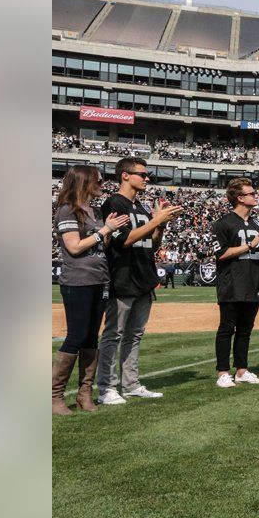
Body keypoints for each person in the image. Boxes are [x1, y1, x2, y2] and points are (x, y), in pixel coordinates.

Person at [96, 157, 182, 406]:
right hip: (122, 277)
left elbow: (151, 246)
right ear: (125, 175)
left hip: (144, 276)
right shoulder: (114, 202)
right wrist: (155, 220)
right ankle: (107, 387)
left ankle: (131, 384)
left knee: (134, 335)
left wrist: (160, 226)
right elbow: (122, 241)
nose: (147, 178)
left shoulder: (142, 208)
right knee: (114, 334)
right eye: (142, 174)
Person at [52, 166, 130, 415]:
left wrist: (106, 230)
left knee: (90, 338)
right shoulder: (67, 210)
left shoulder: (94, 211)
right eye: (98, 179)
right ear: (84, 182)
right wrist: (105, 230)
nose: (102, 183)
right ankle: (55, 396)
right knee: (76, 336)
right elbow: (74, 247)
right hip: (78, 280)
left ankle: (84, 394)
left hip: (98, 279)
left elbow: (99, 244)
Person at [209, 179, 259, 388]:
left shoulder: (258, 224)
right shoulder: (223, 223)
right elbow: (220, 254)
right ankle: (222, 371)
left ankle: (241, 370)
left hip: (253, 282)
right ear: (240, 198)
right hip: (231, 283)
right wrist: (250, 245)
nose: (256, 196)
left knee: (246, 330)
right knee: (226, 328)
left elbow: (258, 255)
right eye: (251, 193)